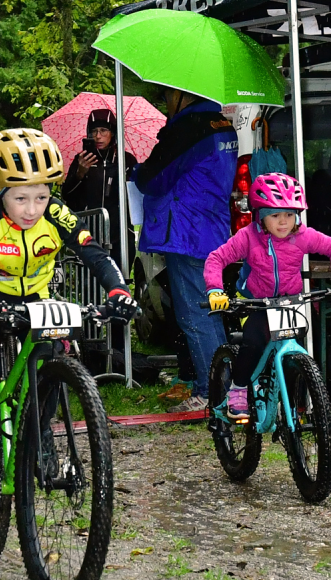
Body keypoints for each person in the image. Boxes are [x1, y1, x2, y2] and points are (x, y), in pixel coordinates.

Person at [0, 128, 137, 502]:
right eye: (20, 197)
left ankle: (39, 437)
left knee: (53, 358)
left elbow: (96, 255)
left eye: (41, 196)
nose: (31, 209)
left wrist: (118, 290)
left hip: (38, 299)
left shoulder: (57, 213)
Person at [204, 174, 331, 420]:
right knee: (253, 342)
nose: (284, 222)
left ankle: (299, 397)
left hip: (289, 303)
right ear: (261, 216)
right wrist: (215, 290)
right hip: (254, 303)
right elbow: (215, 259)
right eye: (275, 216)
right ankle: (238, 388)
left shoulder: (303, 235)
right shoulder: (249, 236)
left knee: (303, 344)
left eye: (289, 215)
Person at [133, 88, 238, 413]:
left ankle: (212, 394)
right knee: (211, 311)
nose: (166, 102)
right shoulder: (222, 125)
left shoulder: (188, 128)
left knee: (195, 314)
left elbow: (153, 179)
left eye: (167, 96)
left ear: (181, 94)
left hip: (187, 233)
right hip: (213, 228)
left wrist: (136, 171)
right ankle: (222, 386)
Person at [61, 108, 137, 268]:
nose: (98, 136)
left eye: (103, 130)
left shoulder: (126, 160)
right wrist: (80, 174)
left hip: (120, 233)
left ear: (113, 133)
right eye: (94, 131)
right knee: (90, 284)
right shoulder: (82, 159)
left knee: (119, 280)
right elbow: (67, 194)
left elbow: (135, 196)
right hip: (88, 232)